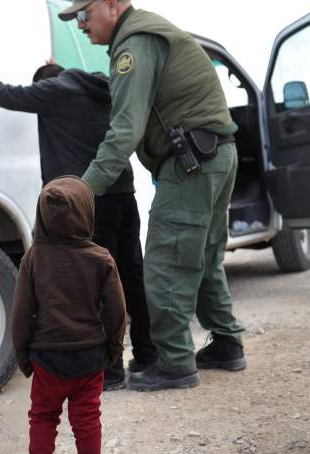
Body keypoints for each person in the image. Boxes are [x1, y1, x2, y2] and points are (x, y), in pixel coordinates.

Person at [58, 0, 246, 392]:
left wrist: (84, 190)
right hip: (215, 154)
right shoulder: (149, 32)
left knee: (166, 264)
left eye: (83, 15)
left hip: (191, 162)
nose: (80, 25)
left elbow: (124, 130)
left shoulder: (134, 44)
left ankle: (176, 364)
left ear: (112, 5)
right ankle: (227, 344)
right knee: (206, 256)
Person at [0, 40, 157, 390]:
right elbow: (64, 82)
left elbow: (5, 94)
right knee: (131, 275)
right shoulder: (97, 87)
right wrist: (57, 73)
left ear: (47, 83)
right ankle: (149, 355)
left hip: (88, 200)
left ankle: (110, 371)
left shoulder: (53, 92)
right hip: (123, 192)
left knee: (93, 283)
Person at [11, 176, 126, 454]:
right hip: (90, 355)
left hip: (47, 357)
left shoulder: (34, 259)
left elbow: (21, 313)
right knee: (87, 417)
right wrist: (112, 350)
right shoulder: (100, 258)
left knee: (43, 416)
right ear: (87, 212)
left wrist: (23, 356)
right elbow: (116, 311)